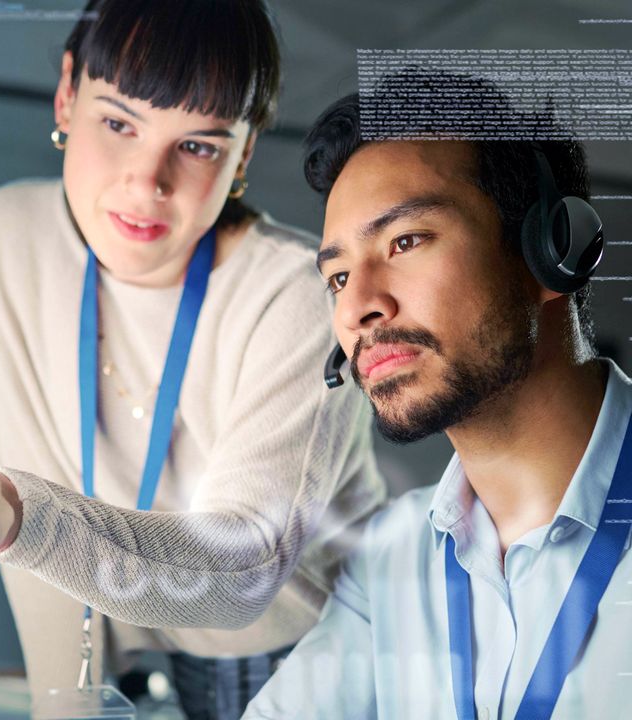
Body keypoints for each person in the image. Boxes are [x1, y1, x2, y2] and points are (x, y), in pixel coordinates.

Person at [0, 1, 386, 716]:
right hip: (146, 659)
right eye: (119, 123)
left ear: (243, 155)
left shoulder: (301, 296)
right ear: (67, 94)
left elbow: (242, 568)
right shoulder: (10, 236)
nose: (147, 181)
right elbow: (33, 505)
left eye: (200, 146)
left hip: (318, 664)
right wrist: (65, 705)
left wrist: (14, 515)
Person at [243, 69, 629, 719]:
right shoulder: (392, 560)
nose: (360, 305)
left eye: (405, 241)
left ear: (550, 252)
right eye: (337, 277)